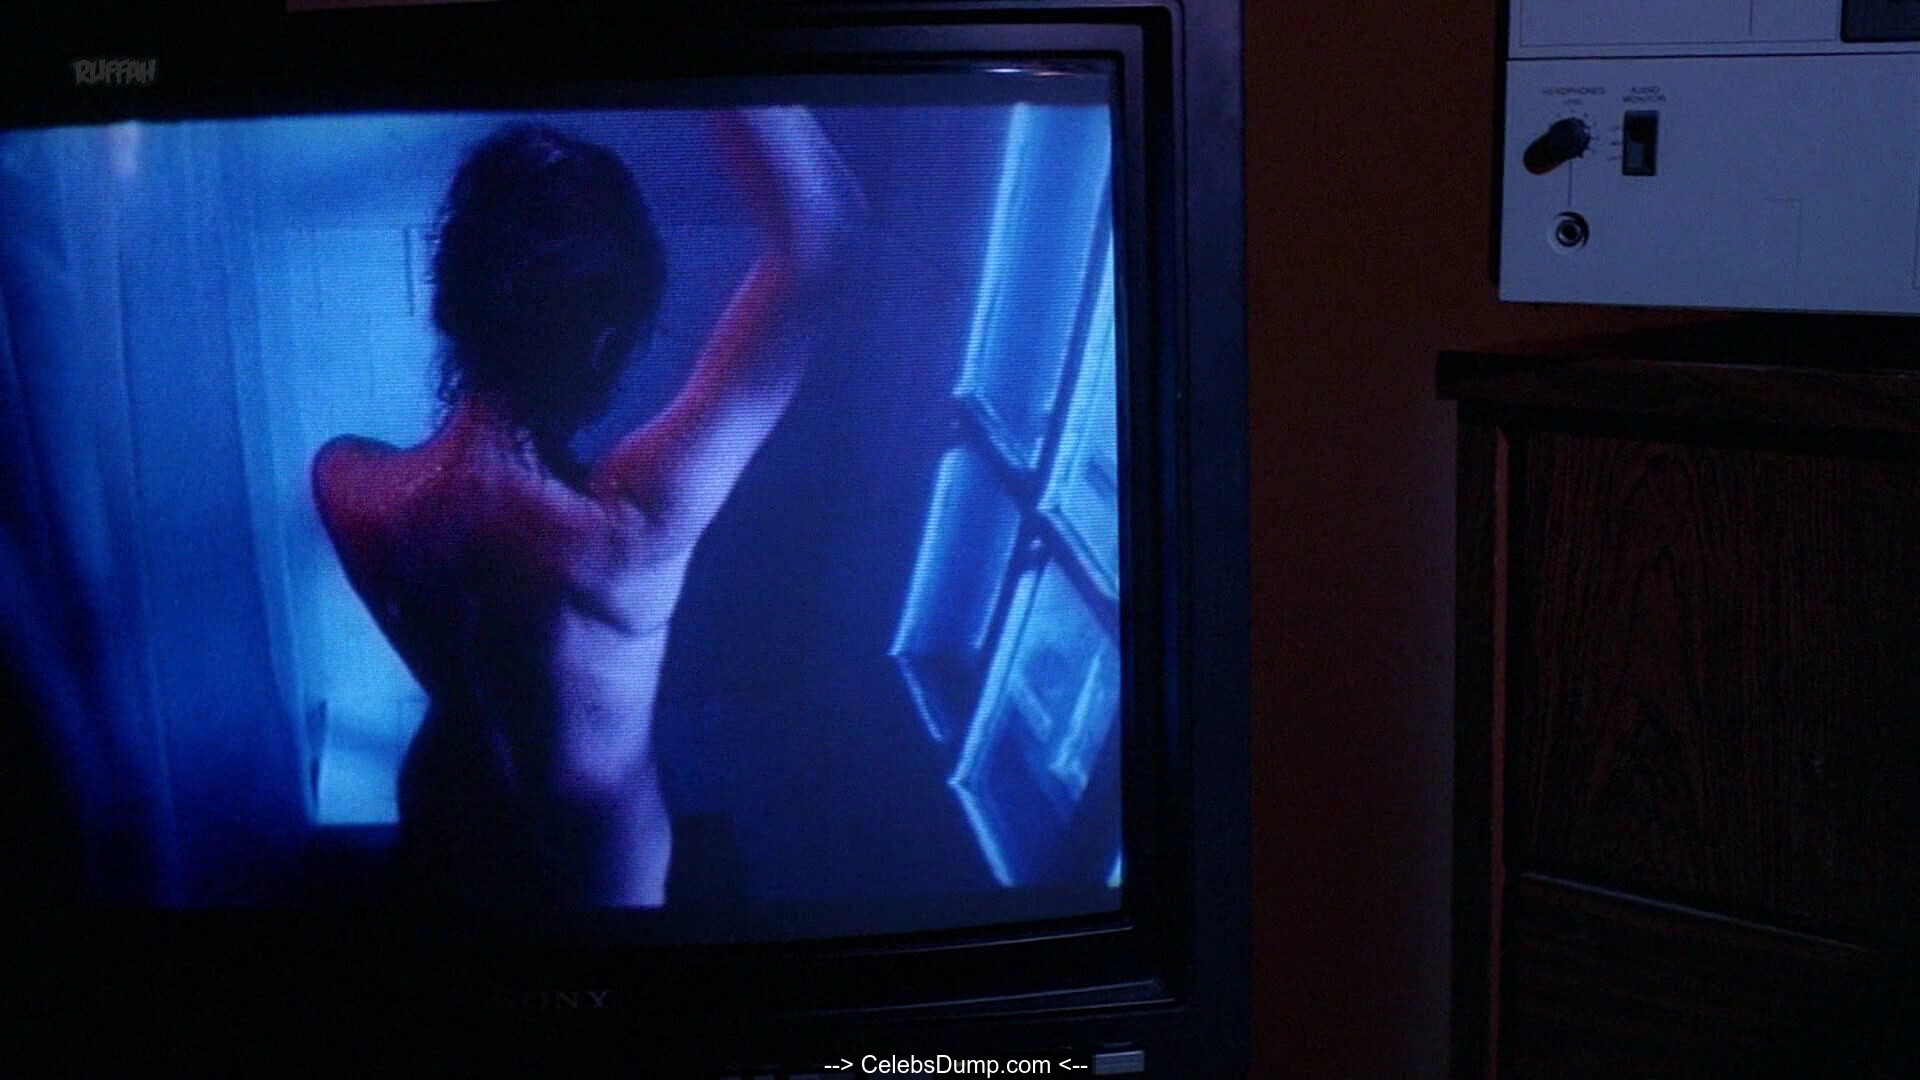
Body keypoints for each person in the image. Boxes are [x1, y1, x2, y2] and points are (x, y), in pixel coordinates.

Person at [311, 109, 857, 909]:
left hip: (443, 824)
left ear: (452, 302)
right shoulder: (625, 530)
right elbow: (824, 242)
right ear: (605, 337)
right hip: (588, 877)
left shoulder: (348, 485)